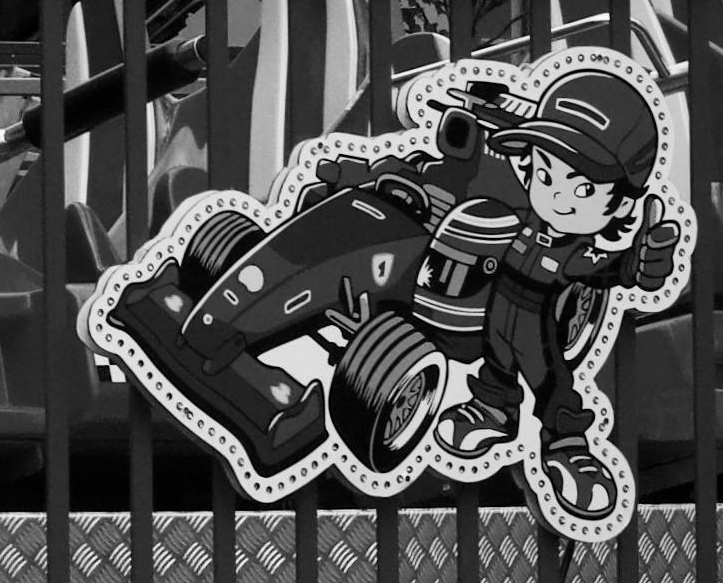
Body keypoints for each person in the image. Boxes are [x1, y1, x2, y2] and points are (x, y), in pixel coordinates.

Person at [87, 54, 682, 541]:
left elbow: (610, 269)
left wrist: (643, 260)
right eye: (546, 171)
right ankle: (216, 317)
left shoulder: (551, 232)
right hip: (403, 222)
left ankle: (569, 449)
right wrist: (353, 175)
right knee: (289, 238)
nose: (557, 190)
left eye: (579, 185)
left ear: (620, 199)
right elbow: (415, 168)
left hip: (484, 303)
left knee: (546, 375)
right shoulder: (470, 166)